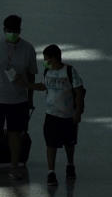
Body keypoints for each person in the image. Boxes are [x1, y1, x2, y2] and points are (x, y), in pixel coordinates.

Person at [0, 15, 36, 179]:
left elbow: (31, 75)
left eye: (15, 30)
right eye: (9, 30)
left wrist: (30, 98)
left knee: (15, 134)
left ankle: (14, 165)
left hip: (18, 100)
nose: (12, 33)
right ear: (4, 30)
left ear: (20, 30)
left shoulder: (28, 49)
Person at [31, 44, 84, 186]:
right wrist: (26, 84)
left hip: (68, 116)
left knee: (69, 143)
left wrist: (78, 112)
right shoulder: (47, 71)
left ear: (54, 58)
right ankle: (51, 172)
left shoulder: (69, 71)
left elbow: (79, 92)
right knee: (50, 144)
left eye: (46, 58)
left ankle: (70, 164)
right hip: (51, 115)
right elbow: (43, 86)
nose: (45, 61)